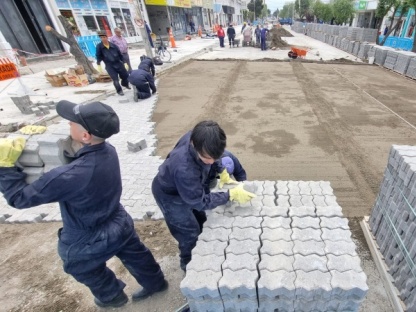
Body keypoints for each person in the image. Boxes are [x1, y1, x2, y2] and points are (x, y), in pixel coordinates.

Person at [0, 101, 168, 308]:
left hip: (88, 234)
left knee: (80, 265)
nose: (68, 124)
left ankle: (112, 295)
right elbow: (80, 164)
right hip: (118, 219)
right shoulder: (109, 150)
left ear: (86, 136)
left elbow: (19, 198)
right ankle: (156, 283)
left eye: (71, 123)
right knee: (135, 253)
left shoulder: (67, 176)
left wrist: (5, 168)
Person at [151, 120, 256, 273]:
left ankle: (203, 248)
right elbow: (200, 202)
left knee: (202, 219)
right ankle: (189, 265)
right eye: (207, 158)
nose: (211, 161)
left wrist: (221, 170)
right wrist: (229, 195)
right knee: (189, 232)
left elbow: (214, 157)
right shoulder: (185, 168)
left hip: (188, 185)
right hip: (170, 195)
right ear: (194, 144)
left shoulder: (202, 138)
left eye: (215, 157)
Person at [96, 31, 130, 96]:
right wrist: (98, 64)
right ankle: (119, 91)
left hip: (118, 63)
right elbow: (98, 55)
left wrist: (124, 62)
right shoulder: (99, 47)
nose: (103, 38)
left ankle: (125, 84)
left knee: (125, 76)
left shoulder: (113, 45)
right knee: (115, 79)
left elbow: (120, 55)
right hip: (109, 65)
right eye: (101, 37)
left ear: (107, 37)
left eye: (104, 37)